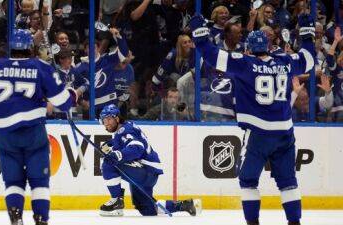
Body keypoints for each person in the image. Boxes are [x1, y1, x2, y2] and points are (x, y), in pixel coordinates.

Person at [189, 12, 315, 225]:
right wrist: (308, 34)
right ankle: (295, 223)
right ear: (267, 47)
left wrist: (200, 33)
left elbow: (212, 55)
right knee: (288, 183)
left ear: (248, 48)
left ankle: (253, 223)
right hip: (285, 133)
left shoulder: (244, 63)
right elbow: (309, 59)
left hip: (258, 133)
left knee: (248, 181)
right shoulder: (285, 61)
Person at [0, 29, 77, 225]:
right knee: (39, 181)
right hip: (33, 131)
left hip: (5, 134)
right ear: (30, 47)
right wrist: (71, 94)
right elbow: (64, 102)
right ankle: (41, 219)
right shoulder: (40, 67)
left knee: (13, 181)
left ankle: (16, 217)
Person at [98, 104, 201, 216]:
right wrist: (112, 144)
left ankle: (116, 201)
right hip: (148, 173)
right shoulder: (124, 129)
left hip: (145, 170)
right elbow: (128, 141)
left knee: (109, 163)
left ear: (117, 118)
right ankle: (184, 205)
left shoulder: (125, 131)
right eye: (104, 120)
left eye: (108, 119)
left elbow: (137, 148)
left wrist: (117, 154)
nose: (106, 123)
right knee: (146, 209)